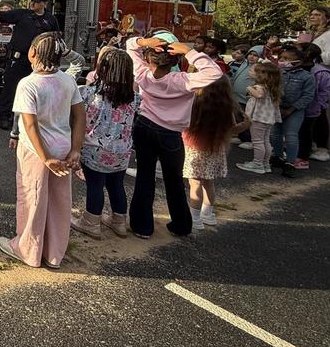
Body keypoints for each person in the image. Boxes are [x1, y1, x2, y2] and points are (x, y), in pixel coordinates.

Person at [0, 33, 84, 268]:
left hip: (36, 152)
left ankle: (27, 250)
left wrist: (45, 158)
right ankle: (54, 253)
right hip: (64, 147)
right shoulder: (68, 81)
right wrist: (76, 149)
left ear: (32, 53)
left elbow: (30, 125)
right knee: (59, 201)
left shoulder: (28, 84)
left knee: (32, 198)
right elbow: (79, 115)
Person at [125, 31, 222, 238]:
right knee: (174, 180)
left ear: (149, 59)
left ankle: (142, 226)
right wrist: (189, 51)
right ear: (175, 60)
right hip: (170, 135)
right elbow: (214, 73)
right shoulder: (182, 80)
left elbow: (130, 46)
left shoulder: (143, 74)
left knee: (145, 176)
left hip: (144, 127)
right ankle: (181, 225)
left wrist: (143, 42)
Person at [70, 49, 140, 239]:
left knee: (95, 185)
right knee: (116, 184)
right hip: (122, 151)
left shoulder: (91, 94)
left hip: (96, 149)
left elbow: (84, 121)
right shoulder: (134, 97)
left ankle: (91, 222)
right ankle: (119, 221)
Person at [0, 0, 59, 131]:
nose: (32, 3)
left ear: (44, 4)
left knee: (36, 90)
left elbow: (56, 39)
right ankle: (5, 117)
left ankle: (30, 119)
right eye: (32, 0)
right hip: (18, 59)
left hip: (39, 62)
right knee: (10, 87)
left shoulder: (51, 20)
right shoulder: (22, 14)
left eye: (36, 1)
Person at [184, 77, 248, 229]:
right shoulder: (226, 108)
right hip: (216, 149)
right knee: (209, 182)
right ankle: (208, 214)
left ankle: (194, 217)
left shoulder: (195, 104)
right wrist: (246, 125)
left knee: (195, 183)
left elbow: (184, 123)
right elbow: (232, 129)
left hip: (195, 149)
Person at [305, 6, 330, 162]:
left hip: (324, 77)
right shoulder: (313, 34)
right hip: (310, 75)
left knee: (319, 111)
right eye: (312, 14)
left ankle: (323, 148)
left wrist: (313, 54)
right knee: (307, 111)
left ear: (327, 18)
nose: (313, 17)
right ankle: (310, 143)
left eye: (317, 14)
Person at [270, 43, 316, 178]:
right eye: (281, 58)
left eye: (286, 59)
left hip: (295, 110)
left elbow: (308, 96)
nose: (282, 61)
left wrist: (291, 109)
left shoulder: (307, 77)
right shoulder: (278, 73)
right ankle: (277, 156)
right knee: (275, 133)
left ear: (298, 62)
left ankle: (290, 162)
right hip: (278, 107)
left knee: (291, 135)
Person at [236, 60, 283, 175]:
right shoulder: (272, 87)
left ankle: (257, 164)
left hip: (258, 118)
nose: (250, 71)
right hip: (267, 119)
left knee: (257, 142)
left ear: (261, 75)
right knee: (265, 141)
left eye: (252, 70)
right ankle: (265, 163)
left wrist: (249, 88)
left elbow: (259, 95)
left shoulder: (260, 87)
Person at [296, 42, 330, 171]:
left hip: (311, 108)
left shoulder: (321, 72)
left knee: (305, 132)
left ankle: (303, 158)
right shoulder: (294, 67)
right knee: (294, 131)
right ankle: (294, 152)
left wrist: (319, 105)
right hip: (295, 107)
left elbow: (325, 92)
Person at [228, 43, 254, 147]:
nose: (251, 57)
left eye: (239, 53)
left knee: (246, 118)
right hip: (236, 97)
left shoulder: (254, 66)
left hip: (246, 98)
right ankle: (240, 136)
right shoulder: (241, 64)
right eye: (250, 54)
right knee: (238, 117)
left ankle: (248, 139)